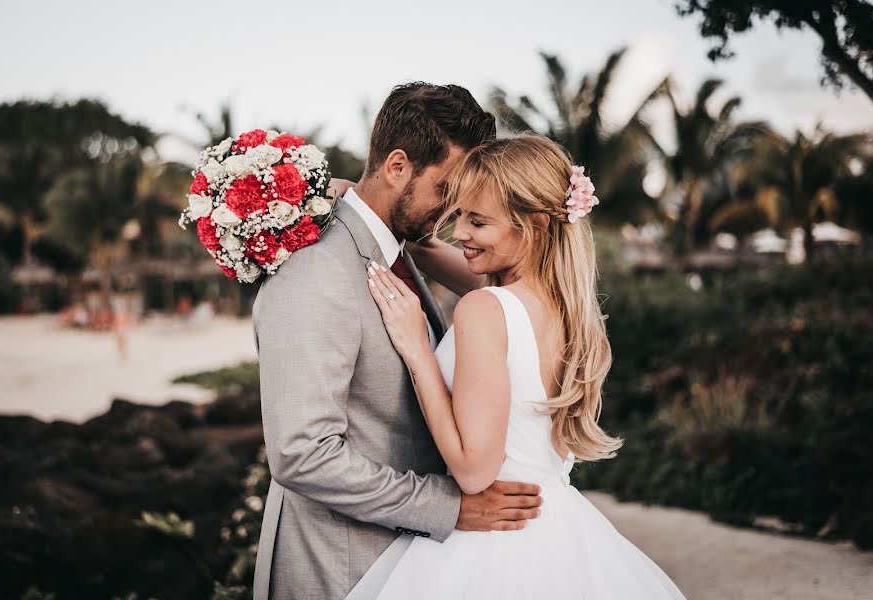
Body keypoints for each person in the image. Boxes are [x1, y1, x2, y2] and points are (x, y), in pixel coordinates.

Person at [350, 135, 687, 599]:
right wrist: (370, 208)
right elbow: (449, 259)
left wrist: (419, 354)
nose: (459, 233)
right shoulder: (565, 304)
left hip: (495, 539)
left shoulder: (485, 309)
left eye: (478, 220)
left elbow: (473, 472)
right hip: (557, 525)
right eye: (459, 215)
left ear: (535, 226)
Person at [252, 83, 544, 600]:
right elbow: (302, 453)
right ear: (397, 167)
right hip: (341, 569)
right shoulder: (318, 268)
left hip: (408, 565)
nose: (455, 213)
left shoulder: (398, 248)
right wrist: (448, 507)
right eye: (446, 189)